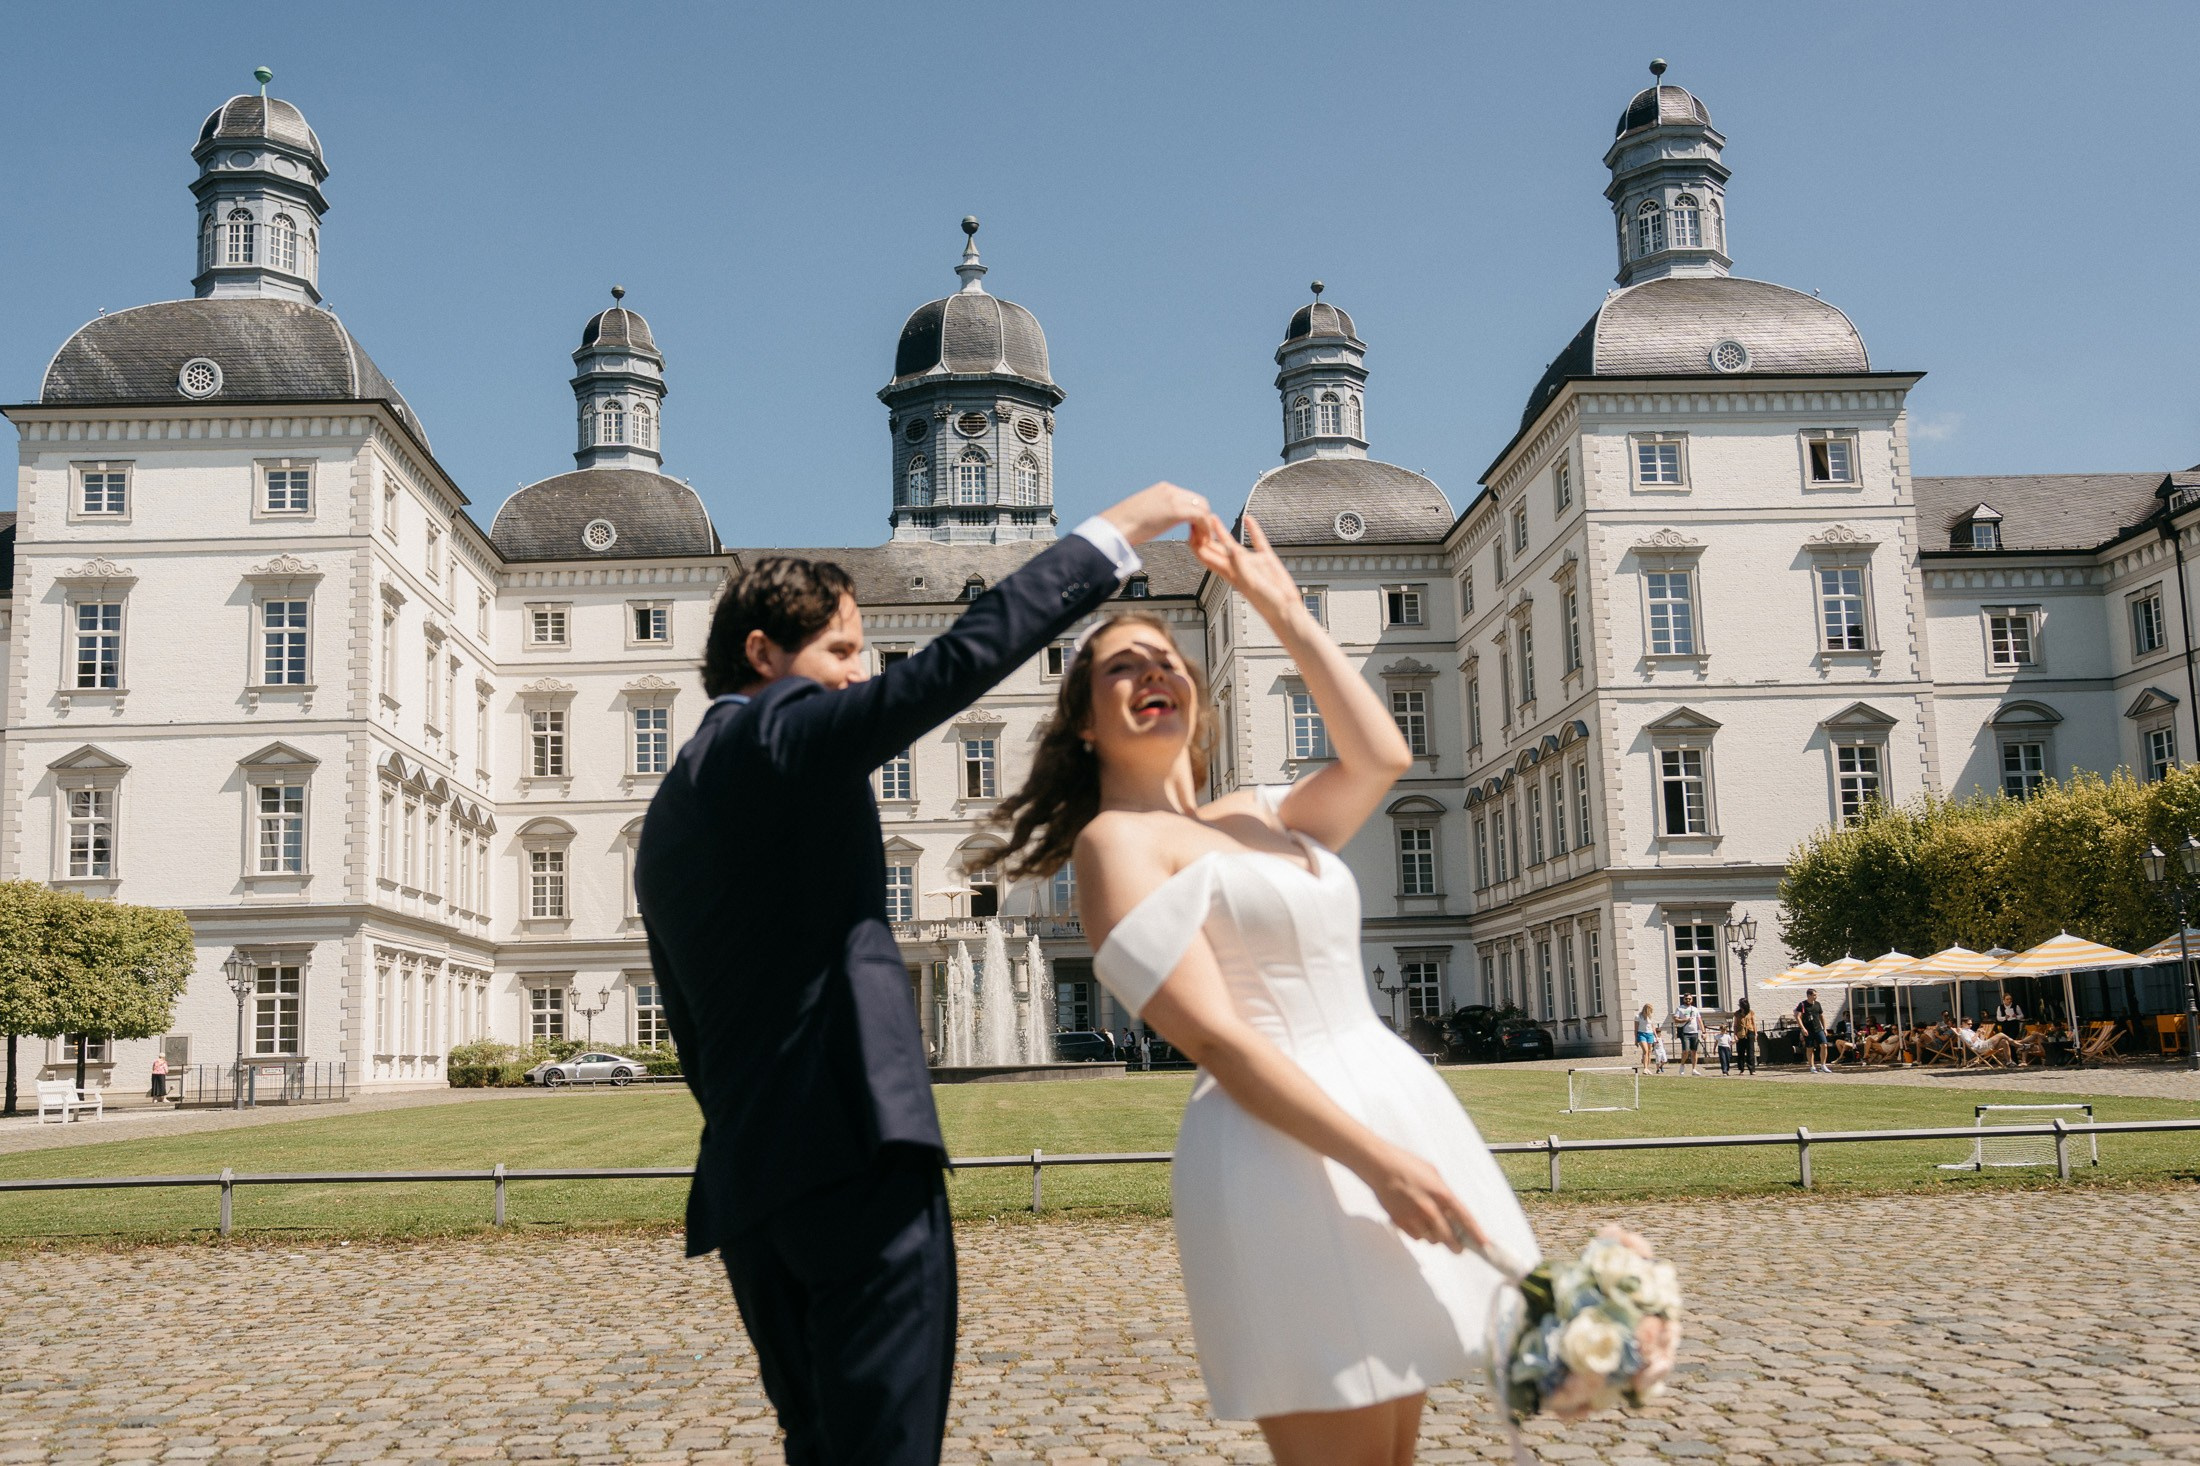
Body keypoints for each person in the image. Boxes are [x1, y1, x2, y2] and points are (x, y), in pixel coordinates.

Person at [636, 481, 1206, 1466]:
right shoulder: (775, 737)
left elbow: (690, 1019)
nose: (863, 676)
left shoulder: (677, 803)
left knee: (821, 1443)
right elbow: (945, 671)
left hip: (752, 1179)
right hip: (852, 1163)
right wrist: (1117, 533)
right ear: (764, 656)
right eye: (845, 652)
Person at [994, 511, 1539, 1466]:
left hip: (1387, 1104)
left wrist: (1281, 605)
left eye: (1167, 658)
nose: (1154, 671)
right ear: (1083, 720)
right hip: (1286, 1148)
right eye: (1122, 665)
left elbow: (1381, 759)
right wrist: (1377, 1161)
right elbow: (1222, 1043)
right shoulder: (1111, 848)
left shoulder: (1255, 813)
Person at [1798, 989, 1830, 1072]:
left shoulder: (1817, 1004)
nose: (1816, 996)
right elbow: (1798, 1017)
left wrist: (1825, 1028)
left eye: (1816, 995)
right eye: (1814, 995)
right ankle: (1812, 1066)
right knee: (1810, 1048)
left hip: (1818, 1028)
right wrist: (1803, 1028)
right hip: (1808, 1030)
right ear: (1809, 996)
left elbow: (1821, 1016)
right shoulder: (1802, 1004)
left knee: (1824, 1045)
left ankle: (1823, 1065)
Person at [1673, 998, 1704, 1076]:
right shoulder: (1680, 1008)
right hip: (1685, 1032)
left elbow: (1699, 1020)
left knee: (1694, 1051)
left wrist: (1703, 1032)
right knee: (1686, 1051)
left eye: (1689, 999)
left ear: (1692, 1000)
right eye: (1686, 999)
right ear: (1684, 999)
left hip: (1694, 1032)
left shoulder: (1695, 1009)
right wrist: (1685, 1020)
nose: (1688, 1000)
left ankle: (1694, 1069)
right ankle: (1682, 1065)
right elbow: (1675, 1019)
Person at [1734, 998, 1758, 1076]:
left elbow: (1754, 1023)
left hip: (1750, 1032)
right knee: (1740, 1052)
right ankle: (1741, 1069)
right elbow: (1735, 1025)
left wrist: (1755, 1033)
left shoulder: (1751, 1012)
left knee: (1750, 1051)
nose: (1741, 1007)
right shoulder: (1737, 1013)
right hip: (1740, 1033)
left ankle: (1752, 1069)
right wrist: (1735, 1035)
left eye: (1742, 1006)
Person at [1635, 1003, 1657, 1073]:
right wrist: (1636, 1039)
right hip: (1641, 1034)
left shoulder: (1650, 1017)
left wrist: (1655, 1035)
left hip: (1650, 1034)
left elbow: (1652, 1026)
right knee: (1645, 1050)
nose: (1651, 1012)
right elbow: (1636, 1028)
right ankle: (1645, 1068)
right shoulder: (1638, 1016)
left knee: (1649, 1052)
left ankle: (1647, 1068)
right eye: (1650, 1010)